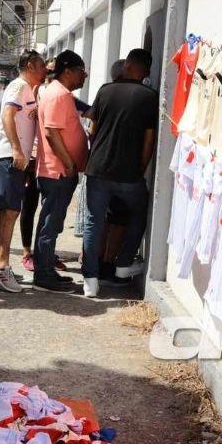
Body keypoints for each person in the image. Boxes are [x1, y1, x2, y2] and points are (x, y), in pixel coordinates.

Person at [79, 48, 158, 297]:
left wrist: (94, 155)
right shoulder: (150, 97)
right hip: (128, 173)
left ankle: (90, 279)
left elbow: (93, 128)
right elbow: (148, 141)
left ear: (127, 66)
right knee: (140, 212)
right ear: (146, 71)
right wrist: (141, 169)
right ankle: (123, 265)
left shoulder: (105, 90)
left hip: (99, 168)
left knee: (94, 220)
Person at [0, 49, 46, 292]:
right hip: (9, 157)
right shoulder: (19, 86)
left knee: (3, 213)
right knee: (10, 212)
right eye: (42, 66)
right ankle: (2, 266)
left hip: (11, 158)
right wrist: (17, 150)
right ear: (31, 65)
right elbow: (8, 116)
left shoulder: (29, 89)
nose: (44, 71)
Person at [33, 50, 89, 292]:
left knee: (52, 223)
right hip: (57, 172)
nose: (84, 76)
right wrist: (68, 164)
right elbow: (51, 133)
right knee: (50, 223)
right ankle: (43, 275)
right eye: (81, 71)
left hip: (58, 171)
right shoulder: (58, 95)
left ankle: (46, 270)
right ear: (68, 71)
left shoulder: (59, 93)